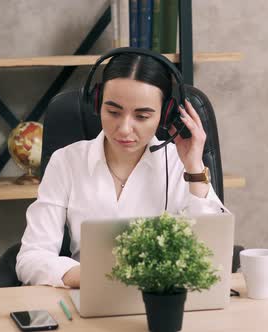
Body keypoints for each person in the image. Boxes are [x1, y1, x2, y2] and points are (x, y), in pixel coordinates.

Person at [16, 51, 228, 289]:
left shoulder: (179, 164)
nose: (125, 129)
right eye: (114, 112)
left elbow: (210, 255)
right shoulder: (66, 161)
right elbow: (31, 258)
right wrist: (104, 279)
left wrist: (194, 167)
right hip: (87, 293)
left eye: (142, 116)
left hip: (162, 300)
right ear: (97, 104)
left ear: (165, 115)